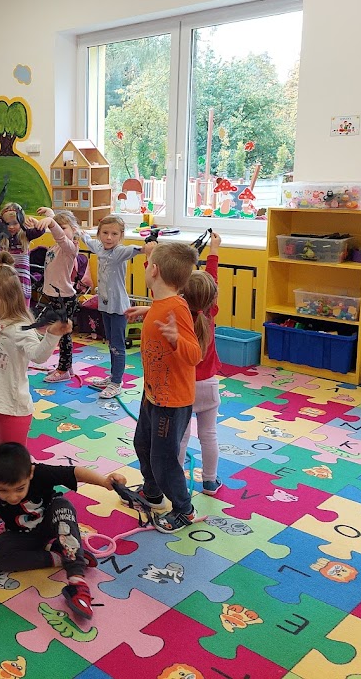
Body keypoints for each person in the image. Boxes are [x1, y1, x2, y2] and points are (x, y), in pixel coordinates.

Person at [0, 442, 126, 621]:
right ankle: (63, 554)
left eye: (20, 488)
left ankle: (77, 581)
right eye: (3, 491)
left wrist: (105, 482)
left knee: (63, 506)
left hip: (52, 525)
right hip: (22, 535)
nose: (12, 496)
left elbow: (75, 472)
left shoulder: (39, 472)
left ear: (30, 473)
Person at [125, 241, 203, 532]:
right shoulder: (162, 302)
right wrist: (148, 311)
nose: (146, 268)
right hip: (153, 395)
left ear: (154, 270)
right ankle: (153, 493)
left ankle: (184, 509)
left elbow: (194, 355)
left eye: (148, 265)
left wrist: (176, 340)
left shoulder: (177, 309)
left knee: (164, 460)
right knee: (142, 444)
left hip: (172, 401)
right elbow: (162, 305)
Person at [0, 252, 70, 452]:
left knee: (13, 464)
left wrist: (52, 335)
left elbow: (39, 356)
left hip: (13, 411)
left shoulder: (19, 329)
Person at [177, 232, 223, 495]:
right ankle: (210, 482)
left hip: (183, 388)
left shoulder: (177, 315)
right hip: (208, 386)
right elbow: (211, 280)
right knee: (209, 435)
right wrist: (213, 250)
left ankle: (175, 482)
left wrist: (150, 262)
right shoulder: (210, 312)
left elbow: (159, 292)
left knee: (181, 437)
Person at [79, 215, 143, 398]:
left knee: (117, 346)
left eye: (114, 234)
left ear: (121, 235)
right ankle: (114, 376)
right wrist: (78, 231)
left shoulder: (120, 251)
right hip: (105, 305)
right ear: (99, 233)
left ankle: (116, 382)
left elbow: (135, 249)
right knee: (110, 343)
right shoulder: (99, 247)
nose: (109, 237)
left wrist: (147, 248)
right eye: (105, 233)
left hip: (118, 307)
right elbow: (87, 240)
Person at [35, 211, 81, 383]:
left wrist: (52, 223)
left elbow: (61, 237)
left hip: (64, 298)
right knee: (62, 334)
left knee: (63, 334)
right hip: (55, 296)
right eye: (58, 227)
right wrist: (51, 215)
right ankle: (67, 365)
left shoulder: (70, 248)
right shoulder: (57, 247)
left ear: (74, 229)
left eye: (64, 228)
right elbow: (60, 235)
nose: (59, 231)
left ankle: (63, 370)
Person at [0, 203, 46, 307]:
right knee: (4, 306)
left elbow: (40, 231)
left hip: (22, 281)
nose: (11, 227)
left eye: (15, 223)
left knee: (22, 308)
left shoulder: (25, 235)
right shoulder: (1, 236)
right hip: (4, 279)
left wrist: (36, 222)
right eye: (7, 224)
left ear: (21, 221)